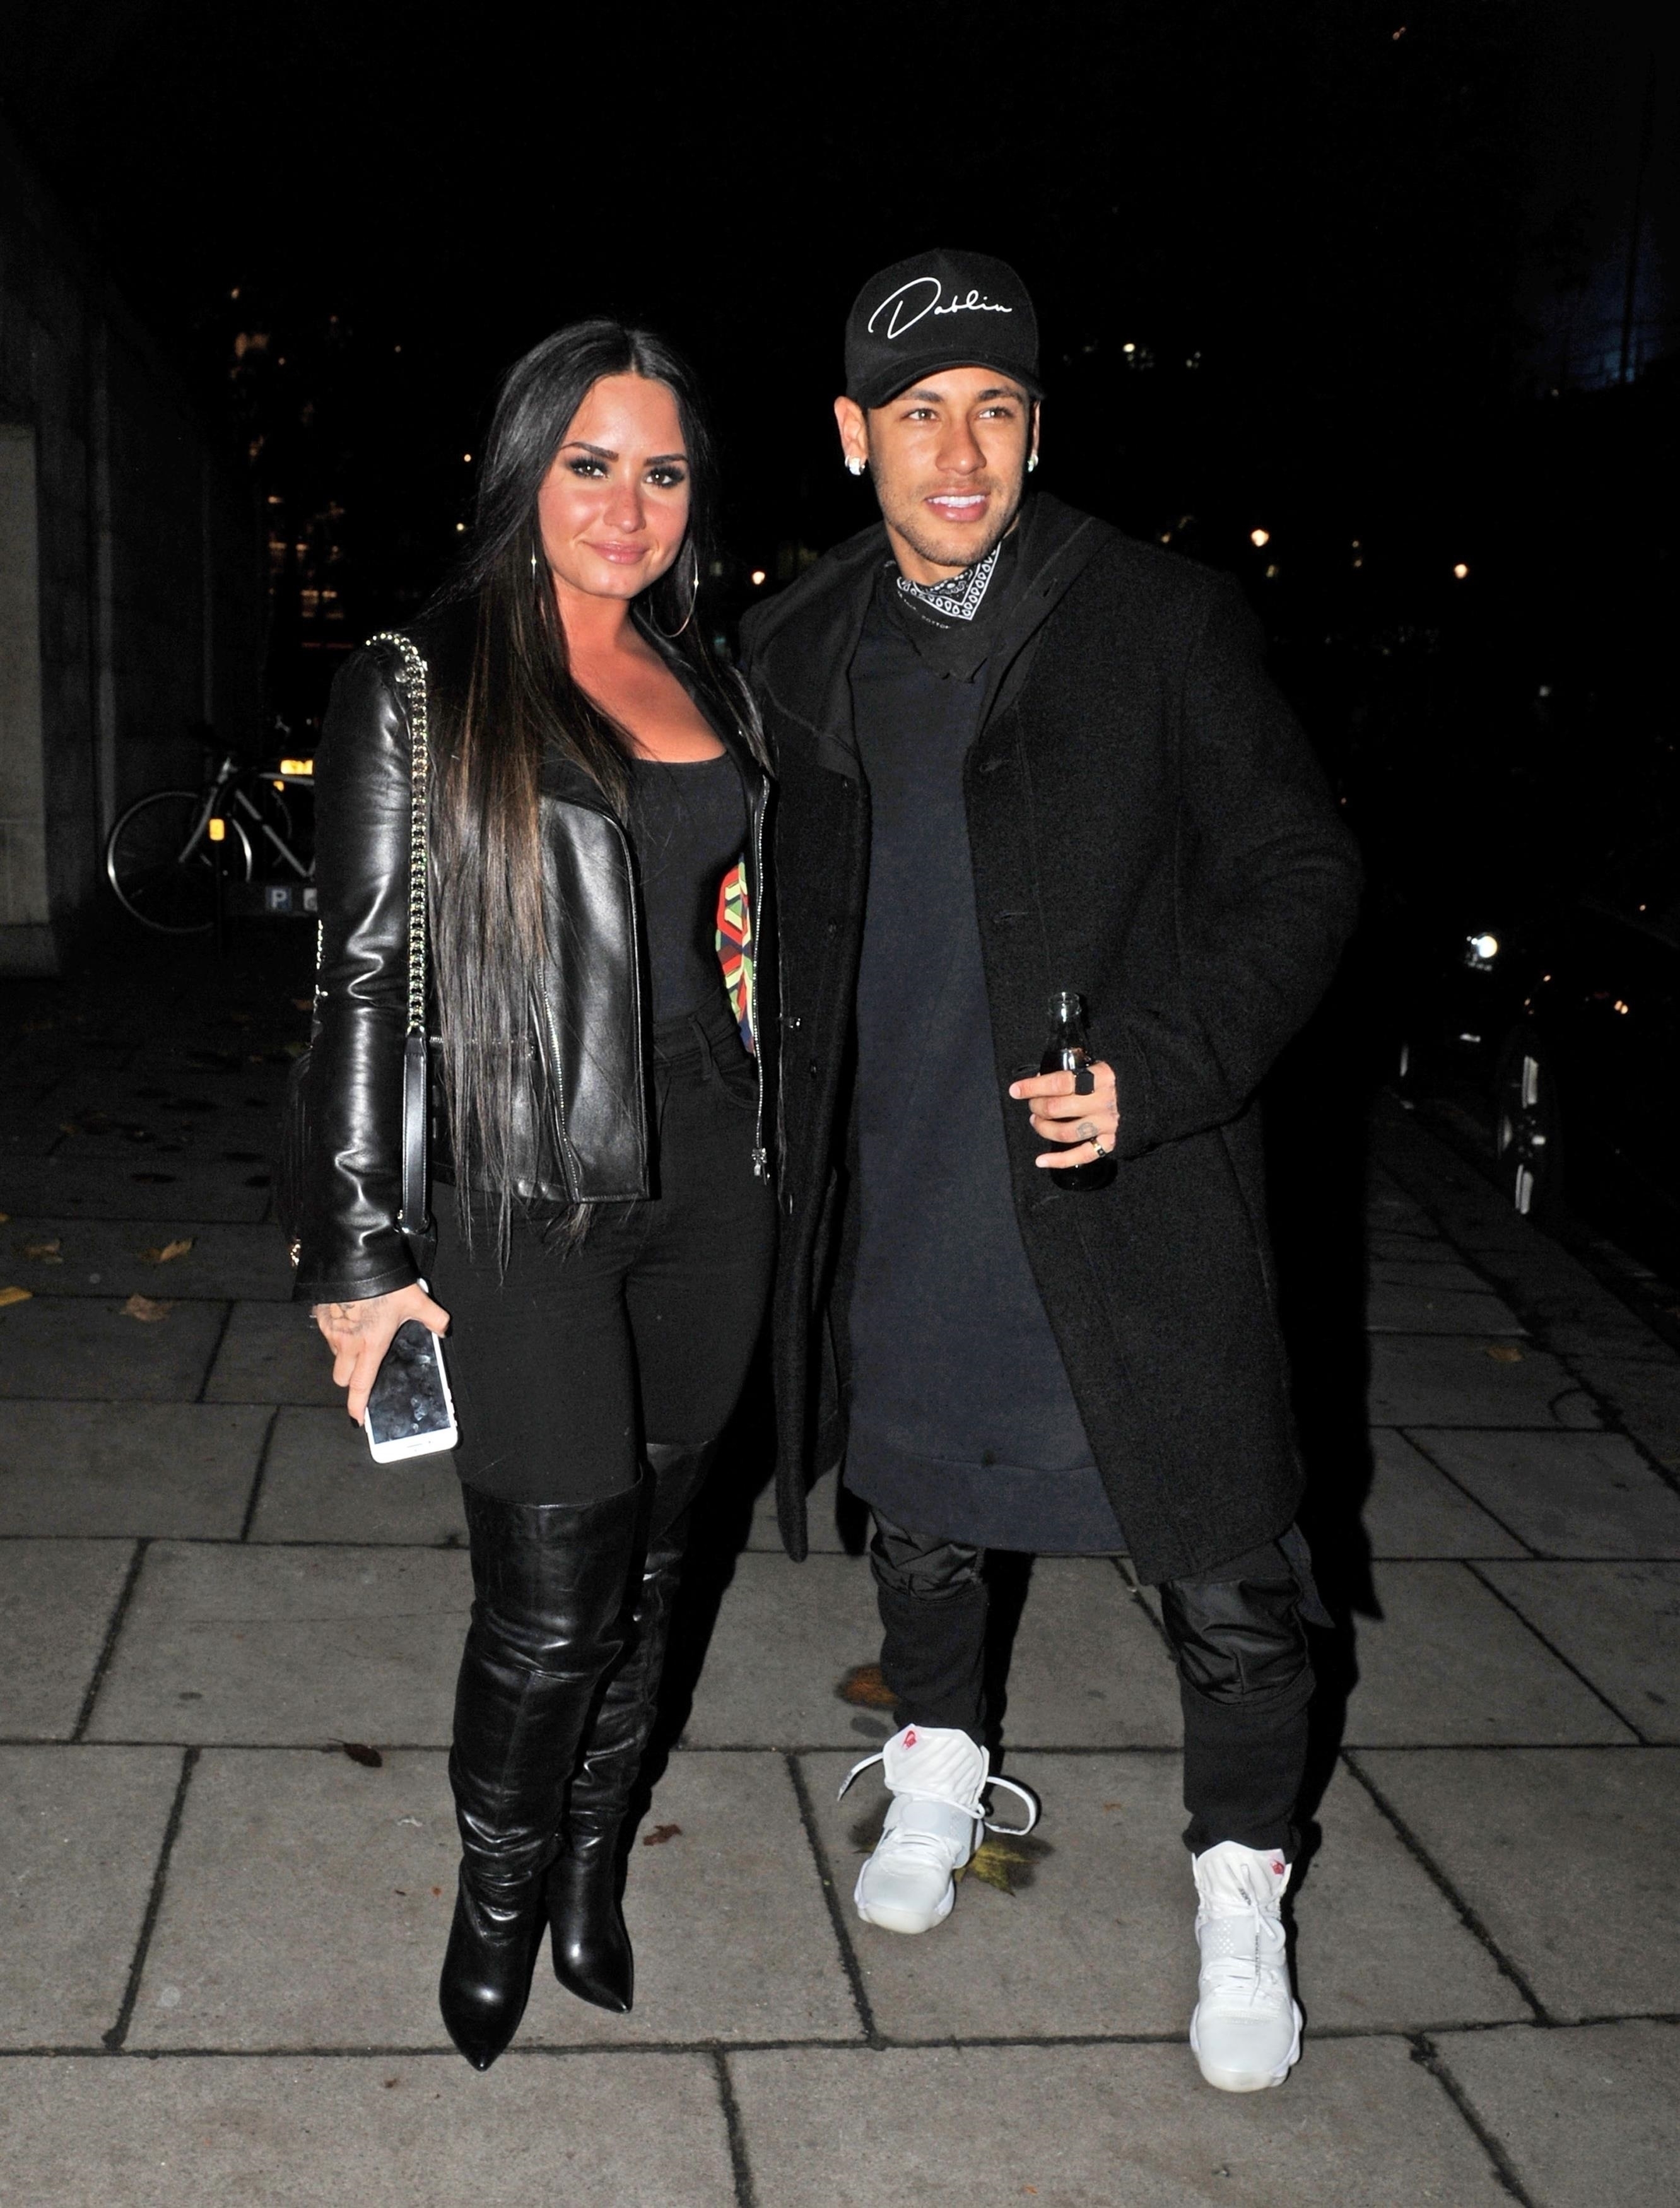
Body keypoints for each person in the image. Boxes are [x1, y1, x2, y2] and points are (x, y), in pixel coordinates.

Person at [739, 249, 1361, 2094]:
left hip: (1129, 1195)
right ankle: (940, 1760)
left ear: (1036, 427)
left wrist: (1162, 1067)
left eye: (996, 410)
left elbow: (1305, 873)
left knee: (1231, 1574)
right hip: (906, 1174)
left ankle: (1241, 1880)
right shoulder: (795, 643)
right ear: (851, 435)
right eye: (920, 413)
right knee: (925, 1511)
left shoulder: (1159, 619)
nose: (961, 452)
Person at [295, 320, 775, 2070]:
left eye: (662, 471)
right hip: (522, 1197)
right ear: (522, 468)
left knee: (656, 1572)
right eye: (590, 463)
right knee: (555, 1602)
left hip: (718, 1183)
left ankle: (592, 1864)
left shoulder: (709, 674)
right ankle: (497, 1895)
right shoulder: (421, 681)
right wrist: (360, 1252)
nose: (626, 505)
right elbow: (363, 974)